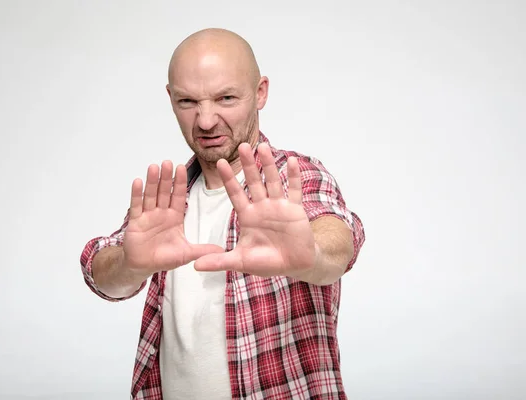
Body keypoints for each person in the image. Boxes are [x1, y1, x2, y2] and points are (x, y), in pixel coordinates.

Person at [80, 27, 365, 400]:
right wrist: (129, 267)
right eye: (187, 102)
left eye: (226, 98)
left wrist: (310, 254)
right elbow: (103, 275)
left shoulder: (294, 177)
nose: (206, 121)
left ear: (260, 92)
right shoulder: (168, 199)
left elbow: (338, 239)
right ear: (170, 99)